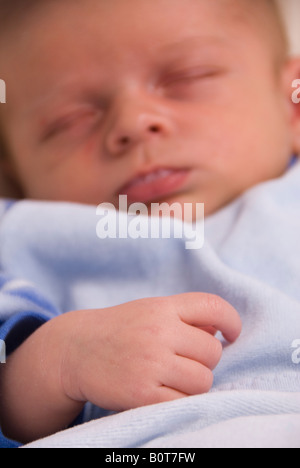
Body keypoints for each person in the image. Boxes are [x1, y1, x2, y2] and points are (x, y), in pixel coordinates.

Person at [0, 0, 299, 446]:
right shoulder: (25, 240)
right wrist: (60, 361)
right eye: (71, 121)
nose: (134, 123)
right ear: (15, 176)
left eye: (187, 79)